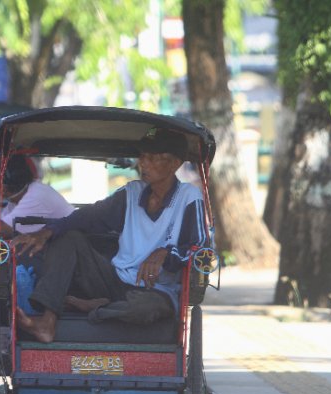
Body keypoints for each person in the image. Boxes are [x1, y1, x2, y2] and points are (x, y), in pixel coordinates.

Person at [11, 130, 207, 345]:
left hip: (156, 291)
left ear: (174, 164)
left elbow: (200, 249)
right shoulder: (132, 193)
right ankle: (47, 323)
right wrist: (48, 231)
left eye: (152, 158)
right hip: (115, 280)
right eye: (142, 156)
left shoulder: (189, 196)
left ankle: (98, 307)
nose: (143, 163)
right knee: (70, 237)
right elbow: (90, 216)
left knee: (144, 309)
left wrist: (166, 253)